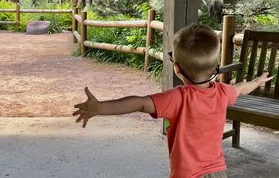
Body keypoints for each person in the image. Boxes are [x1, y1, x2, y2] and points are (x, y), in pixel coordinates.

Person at [73, 24, 273, 178]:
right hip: (217, 172)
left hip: (186, 173)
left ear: (177, 68)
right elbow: (241, 88)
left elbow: (140, 103)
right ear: (215, 68)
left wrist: (101, 107)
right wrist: (257, 81)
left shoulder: (178, 98)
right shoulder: (223, 92)